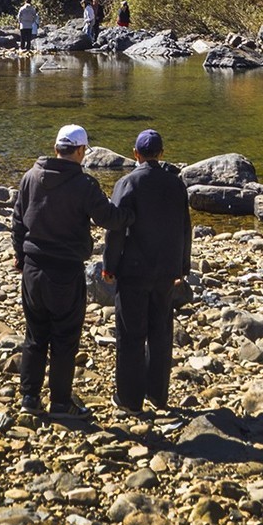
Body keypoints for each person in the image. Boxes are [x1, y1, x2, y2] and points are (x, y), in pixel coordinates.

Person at [11, 123, 126, 419]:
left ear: (56, 149)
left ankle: (29, 398)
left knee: (35, 336)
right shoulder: (84, 185)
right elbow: (110, 219)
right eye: (83, 150)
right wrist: (133, 209)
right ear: (79, 151)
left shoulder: (30, 177)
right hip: (65, 272)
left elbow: (18, 222)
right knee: (64, 338)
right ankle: (61, 402)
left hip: (33, 269)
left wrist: (20, 257)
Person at [102, 128, 191, 416]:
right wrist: (183, 266)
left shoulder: (128, 182)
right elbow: (184, 227)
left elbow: (115, 229)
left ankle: (129, 399)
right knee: (160, 331)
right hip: (166, 269)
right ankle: (158, 394)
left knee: (130, 333)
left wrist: (109, 265)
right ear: (162, 154)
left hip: (135, 269)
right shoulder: (176, 184)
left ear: (135, 154)